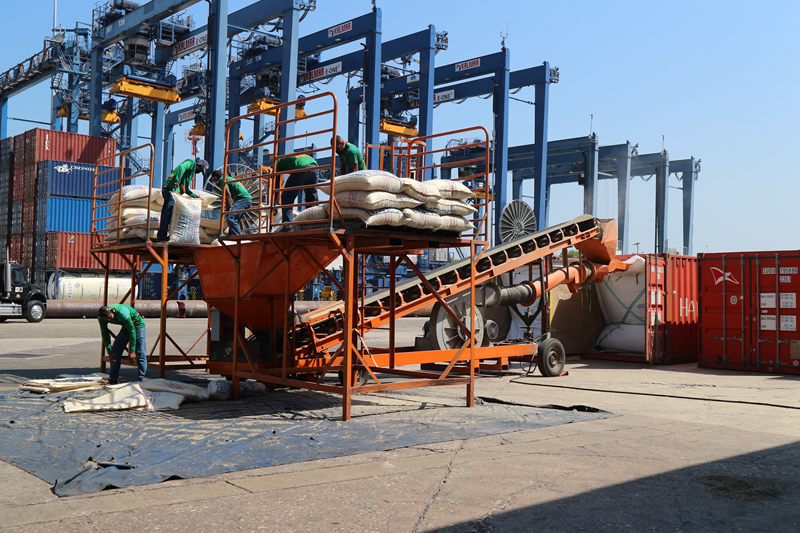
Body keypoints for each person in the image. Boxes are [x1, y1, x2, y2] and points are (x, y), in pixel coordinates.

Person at [156, 158, 209, 242]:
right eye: (200, 169)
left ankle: (169, 235)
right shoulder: (191, 163)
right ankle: (161, 236)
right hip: (170, 190)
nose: (198, 172)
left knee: (172, 215)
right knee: (167, 213)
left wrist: (194, 195)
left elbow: (185, 188)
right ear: (199, 165)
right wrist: (176, 181)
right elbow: (181, 167)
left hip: (175, 193)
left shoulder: (190, 173)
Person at [98, 304, 147, 385]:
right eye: (107, 320)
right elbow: (105, 334)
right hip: (125, 326)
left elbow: (132, 331)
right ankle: (113, 379)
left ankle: (142, 379)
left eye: (110, 318)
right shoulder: (101, 318)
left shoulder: (123, 314)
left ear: (112, 312)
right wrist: (109, 351)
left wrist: (132, 351)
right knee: (115, 352)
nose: (110, 320)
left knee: (140, 353)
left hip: (137, 325)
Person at [275, 153, 319, 223]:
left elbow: (276, 185)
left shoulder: (277, 163)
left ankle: (287, 223)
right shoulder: (290, 157)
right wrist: (318, 204)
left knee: (287, 197)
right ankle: (312, 221)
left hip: (302, 167)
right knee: (311, 198)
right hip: (315, 167)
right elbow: (314, 190)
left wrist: (273, 204)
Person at [212, 169, 252, 236]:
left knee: (230, 218)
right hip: (246, 200)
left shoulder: (222, 179)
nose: (214, 182)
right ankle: (231, 236)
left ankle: (238, 237)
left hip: (243, 198)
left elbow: (228, 195)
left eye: (213, 179)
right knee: (234, 220)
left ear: (216, 177)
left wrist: (227, 211)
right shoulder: (228, 178)